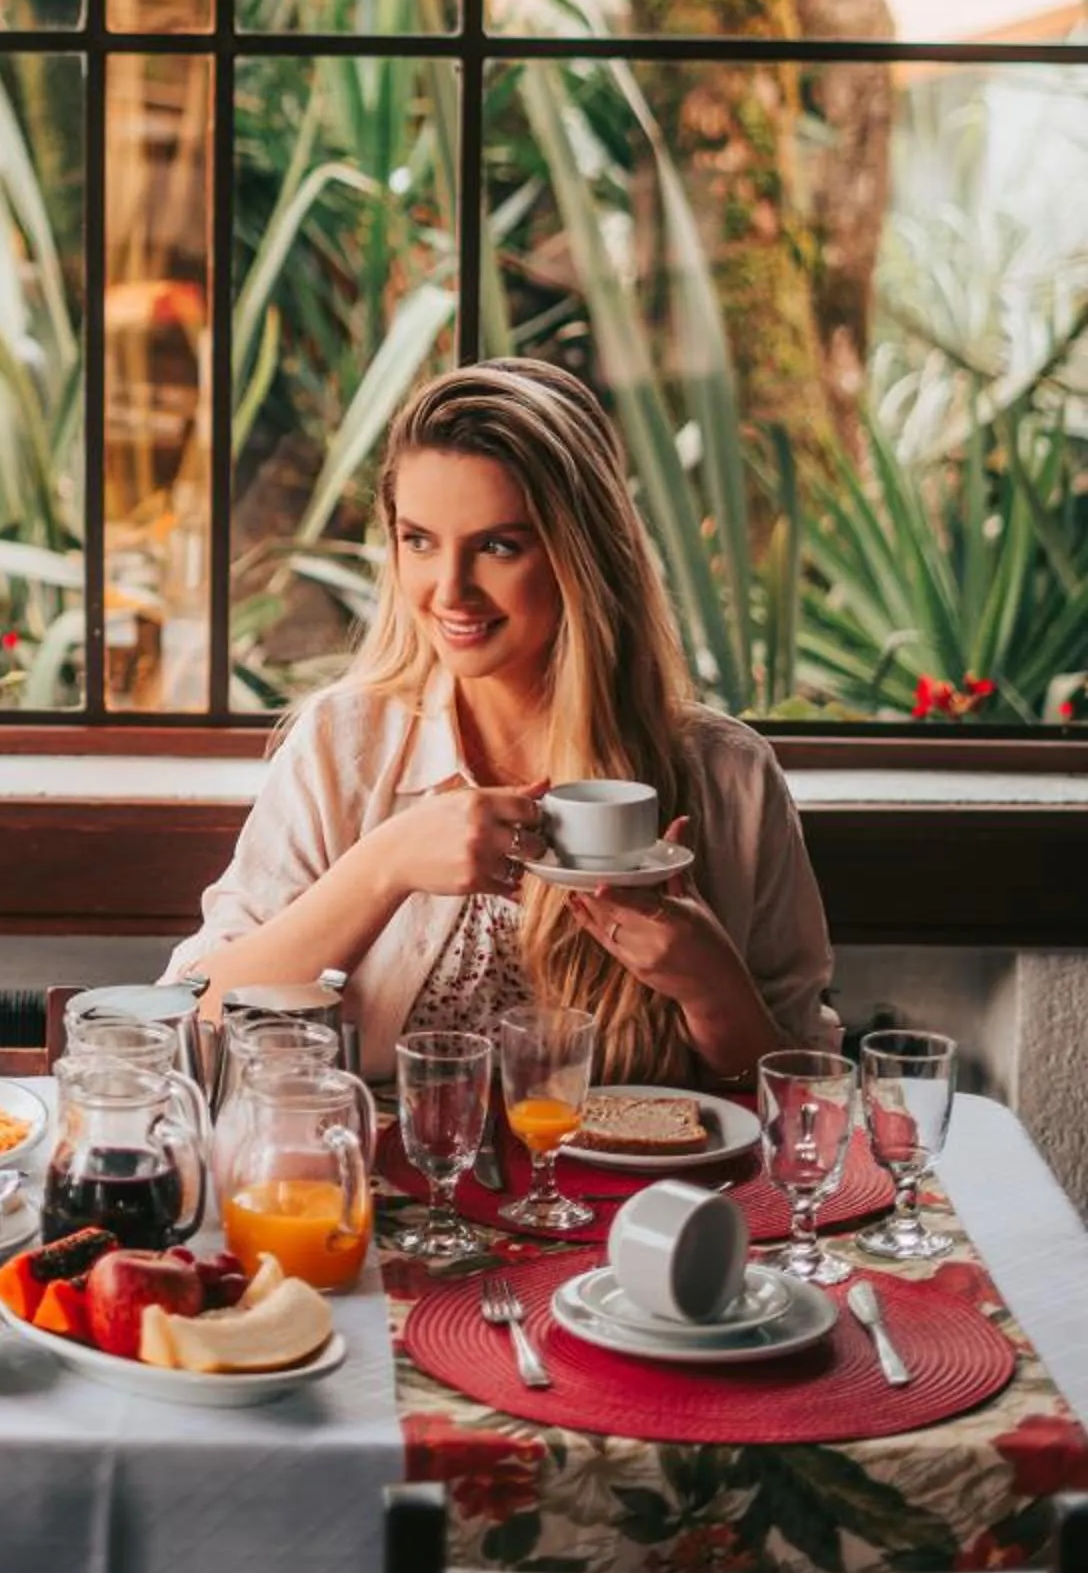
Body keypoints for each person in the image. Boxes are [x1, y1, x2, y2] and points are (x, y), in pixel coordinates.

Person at [168, 358, 838, 1085]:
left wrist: (712, 987)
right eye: (418, 540)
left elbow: (808, 1105)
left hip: (636, 1199)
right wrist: (382, 867)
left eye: (496, 546)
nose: (448, 590)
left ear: (579, 557)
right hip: (376, 1195)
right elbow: (190, 1021)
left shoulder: (730, 776)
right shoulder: (342, 745)